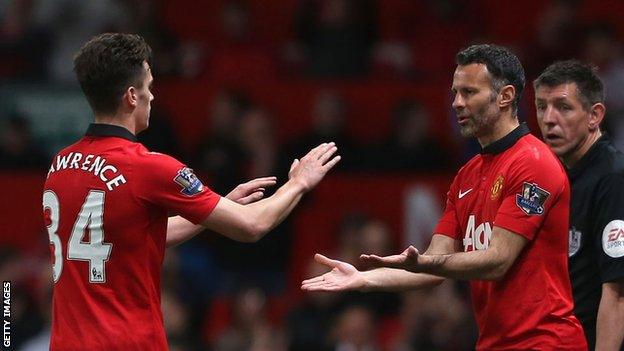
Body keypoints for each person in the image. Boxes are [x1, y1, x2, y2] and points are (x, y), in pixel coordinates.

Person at [42, 33, 340, 350]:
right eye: (149, 87)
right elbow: (252, 225)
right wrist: (298, 183)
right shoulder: (149, 167)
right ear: (131, 96)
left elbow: (131, 235)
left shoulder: (61, 165)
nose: (152, 97)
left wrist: (215, 209)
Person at [302, 44, 587, 350]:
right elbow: (432, 271)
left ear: (505, 96)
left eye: (468, 92)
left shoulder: (533, 162)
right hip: (495, 343)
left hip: (546, 343)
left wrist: (427, 262)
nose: (456, 103)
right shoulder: (467, 175)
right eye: (454, 93)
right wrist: (363, 279)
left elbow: (497, 261)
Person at [534, 60, 624, 350]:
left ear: (594, 115)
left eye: (563, 107)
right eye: (541, 106)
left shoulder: (613, 178)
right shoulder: (554, 175)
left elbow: (618, 293)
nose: (548, 118)